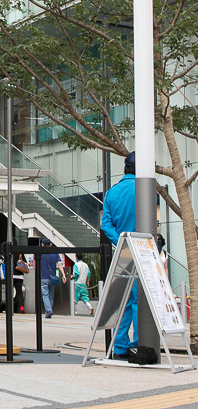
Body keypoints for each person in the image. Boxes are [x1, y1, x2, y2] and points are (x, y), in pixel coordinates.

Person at [101, 151, 138, 359]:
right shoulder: (144, 189)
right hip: (142, 250)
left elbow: (106, 224)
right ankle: (139, 344)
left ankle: (120, 346)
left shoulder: (112, 193)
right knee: (139, 300)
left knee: (122, 300)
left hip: (123, 252)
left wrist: (122, 241)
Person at [40, 238, 66, 318]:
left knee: (45, 295)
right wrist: (64, 275)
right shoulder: (55, 253)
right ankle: (49, 312)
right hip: (53, 278)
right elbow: (59, 264)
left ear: (43, 244)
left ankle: (49, 310)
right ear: (50, 244)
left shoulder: (40, 253)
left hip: (43, 277)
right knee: (51, 295)